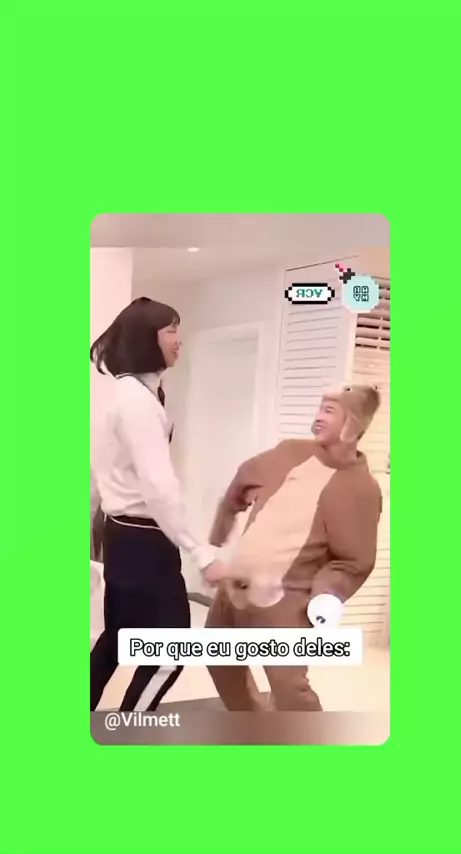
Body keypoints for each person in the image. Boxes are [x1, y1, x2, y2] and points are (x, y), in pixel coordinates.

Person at [205, 384, 383, 711]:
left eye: (329, 411)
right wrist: (221, 528)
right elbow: (244, 476)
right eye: (320, 408)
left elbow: (353, 561)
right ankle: (252, 723)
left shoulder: (361, 489)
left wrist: (327, 595)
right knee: (220, 661)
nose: (318, 417)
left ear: (353, 423)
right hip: (234, 589)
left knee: (289, 688)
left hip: (287, 603)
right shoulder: (288, 453)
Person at [90, 297, 223, 712]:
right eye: (171, 331)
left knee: (118, 639)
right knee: (169, 652)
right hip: (143, 541)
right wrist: (201, 552)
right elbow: (158, 486)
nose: (179, 340)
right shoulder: (137, 401)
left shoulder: (130, 393)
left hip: (123, 534)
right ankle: (127, 733)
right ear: (146, 338)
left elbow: (102, 470)